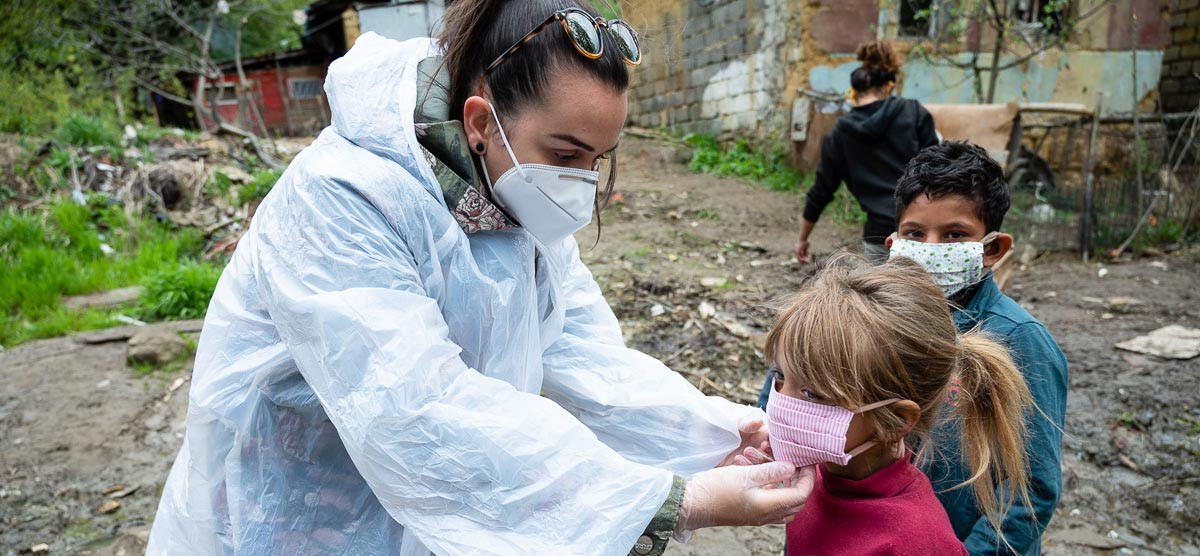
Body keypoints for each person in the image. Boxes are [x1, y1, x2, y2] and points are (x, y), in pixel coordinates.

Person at [146, 2, 814, 555]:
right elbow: (417, 413)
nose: (582, 185)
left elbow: (581, 353)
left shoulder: (507, 198)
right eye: (565, 154)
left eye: (598, 160)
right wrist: (677, 500)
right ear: (478, 123)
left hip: (413, 512)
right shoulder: (345, 201)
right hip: (295, 511)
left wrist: (716, 432)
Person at [750, 254, 1034, 556]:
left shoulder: (915, 542)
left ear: (897, 420)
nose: (780, 402)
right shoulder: (819, 474)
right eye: (780, 375)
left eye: (812, 394)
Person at [885, 141, 1068, 555]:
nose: (930, 248)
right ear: (894, 244)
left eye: (953, 235)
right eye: (915, 234)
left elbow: (1032, 489)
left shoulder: (1021, 341)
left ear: (992, 249)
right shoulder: (878, 321)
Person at [794, 40, 938, 265]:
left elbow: (820, 192)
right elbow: (938, 170)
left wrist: (803, 238)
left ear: (852, 93)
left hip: (878, 237)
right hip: (924, 233)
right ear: (889, 86)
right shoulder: (913, 113)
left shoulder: (839, 134)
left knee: (883, 298)